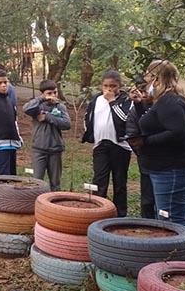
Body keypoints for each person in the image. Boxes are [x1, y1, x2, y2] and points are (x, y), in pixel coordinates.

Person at [129, 60, 185, 265]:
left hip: (173, 170)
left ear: (157, 78)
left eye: (148, 76)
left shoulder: (169, 101)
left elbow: (179, 132)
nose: (146, 79)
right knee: (179, 219)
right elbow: (152, 123)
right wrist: (141, 104)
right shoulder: (161, 101)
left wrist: (146, 142)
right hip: (166, 169)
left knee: (172, 221)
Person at [81, 70, 132, 217]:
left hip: (120, 146)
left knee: (120, 182)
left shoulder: (125, 100)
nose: (109, 89)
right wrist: (90, 134)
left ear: (120, 86)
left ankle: (120, 214)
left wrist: (112, 101)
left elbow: (124, 120)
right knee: (99, 180)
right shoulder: (96, 99)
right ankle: (98, 212)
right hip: (100, 145)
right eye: (106, 86)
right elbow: (88, 117)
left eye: (113, 86)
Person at [22, 79, 70, 191]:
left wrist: (48, 117)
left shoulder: (60, 107)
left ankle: (55, 206)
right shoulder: (37, 106)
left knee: (55, 183)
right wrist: (42, 99)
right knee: (37, 182)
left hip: (55, 149)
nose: (52, 96)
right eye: (49, 93)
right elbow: (25, 108)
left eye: (55, 92)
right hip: (39, 149)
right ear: (42, 94)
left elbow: (67, 124)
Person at [126, 66, 159, 219]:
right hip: (145, 161)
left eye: (147, 91)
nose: (145, 95)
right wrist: (142, 152)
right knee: (147, 199)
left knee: (163, 201)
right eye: (142, 92)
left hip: (165, 161)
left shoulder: (162, 107)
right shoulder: (135, 111)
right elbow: (132, 134)